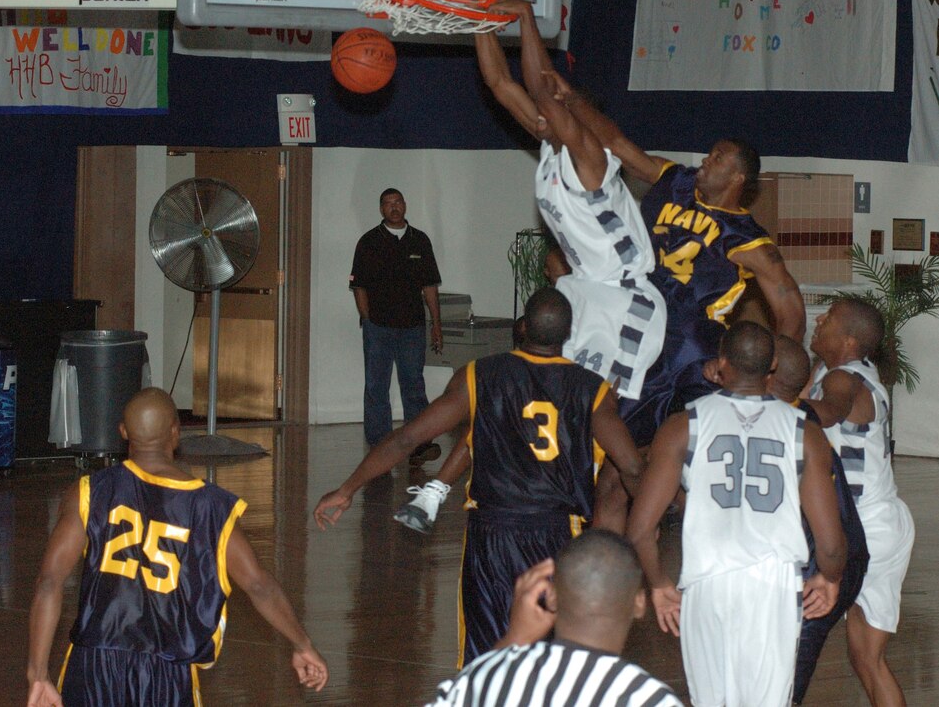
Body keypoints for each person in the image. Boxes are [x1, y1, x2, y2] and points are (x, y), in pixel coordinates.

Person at [393, 0, 666, 534]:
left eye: (547, 109)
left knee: (585, 414)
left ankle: (632, 522)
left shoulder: (589, 157)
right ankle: (436, 491)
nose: (533, 113)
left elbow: (540, 87)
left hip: (626, 303)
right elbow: (500, 85)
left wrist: (522, 18)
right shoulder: (549, 150)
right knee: (520, 383)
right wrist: (481, 22)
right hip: (590, 289)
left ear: (563, 112)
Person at [315, 287, 644, 667]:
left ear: (521, 328)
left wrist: (347, 489)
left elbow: (407, 438)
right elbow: (632, 467)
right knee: (553, 658)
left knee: (486, 657)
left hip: (492, 535)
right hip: (558, 535)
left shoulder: (478, 375)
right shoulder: (594, 390)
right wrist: (646, 529)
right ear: (568, 334)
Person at [544, 74, 805, 448]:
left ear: (737, 178)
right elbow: (616, 144)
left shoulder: (747, 237)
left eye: (717, 159)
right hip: (638, 325)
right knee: (609, 436)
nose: (704, 161)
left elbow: (791, 308)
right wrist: (571, 100)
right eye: (709, 154)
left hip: (693, 349)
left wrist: (772, 373)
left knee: (694, 446)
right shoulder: (674, 181)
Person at [26, 387, 327, 707]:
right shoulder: (210, 507)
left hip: (93, 662)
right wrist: (302, 643)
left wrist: (37, 673)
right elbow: (258, 585)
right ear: (176, 431)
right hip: (165, 668)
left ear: (124, 432)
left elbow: (48, 583)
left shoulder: (89, 491)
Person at [627, 321, 845, 707]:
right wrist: (830, 577)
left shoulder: (683, 426)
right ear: (772, 365)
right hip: (772, 584)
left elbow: (641, 528)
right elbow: (829, 541)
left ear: (721, 363)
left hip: (706, 583)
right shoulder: (804, 432)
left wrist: (659, 585)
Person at [393, 245, 571, 535]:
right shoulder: (550, 303)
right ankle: (434, 492)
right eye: (550, 270)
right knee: (487, 422)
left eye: (554, 269)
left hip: (571, 380)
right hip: (544, 377)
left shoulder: (584, 297)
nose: (549, 273)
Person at [426, 530, 683, 707]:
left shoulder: (491, 676)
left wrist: (515, 638)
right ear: (639, 604)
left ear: (550, 597)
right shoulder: (648, 697)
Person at [807, 298, 915, 707]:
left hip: (867, 528)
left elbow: (829, 412)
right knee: (867, 660)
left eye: (829, 317)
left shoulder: (846, 379)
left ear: (849, 341)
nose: (819, 319)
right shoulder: (829, 371)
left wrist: (762, 405)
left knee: (791, 637)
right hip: (878, 521)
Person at [764, 335, 870, 703]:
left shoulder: (793, 425)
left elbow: (828, 537)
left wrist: (829, 576)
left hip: (825, 564)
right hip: (831, 557)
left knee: (784, 686)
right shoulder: (793, 414)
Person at [350, 187, 444, 466]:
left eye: (398, 202)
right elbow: (359, 287)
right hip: (378, 327)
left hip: (413, 327)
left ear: (405, 205)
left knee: (414, 385)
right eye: (388, 203)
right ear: (381, 209)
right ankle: (380, 444)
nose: (393, 207)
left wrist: (436, 325)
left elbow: (430, 288)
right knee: (377, 386)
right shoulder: (368, 242)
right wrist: (367, 319)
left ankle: (419, 443)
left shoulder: (420, 241)